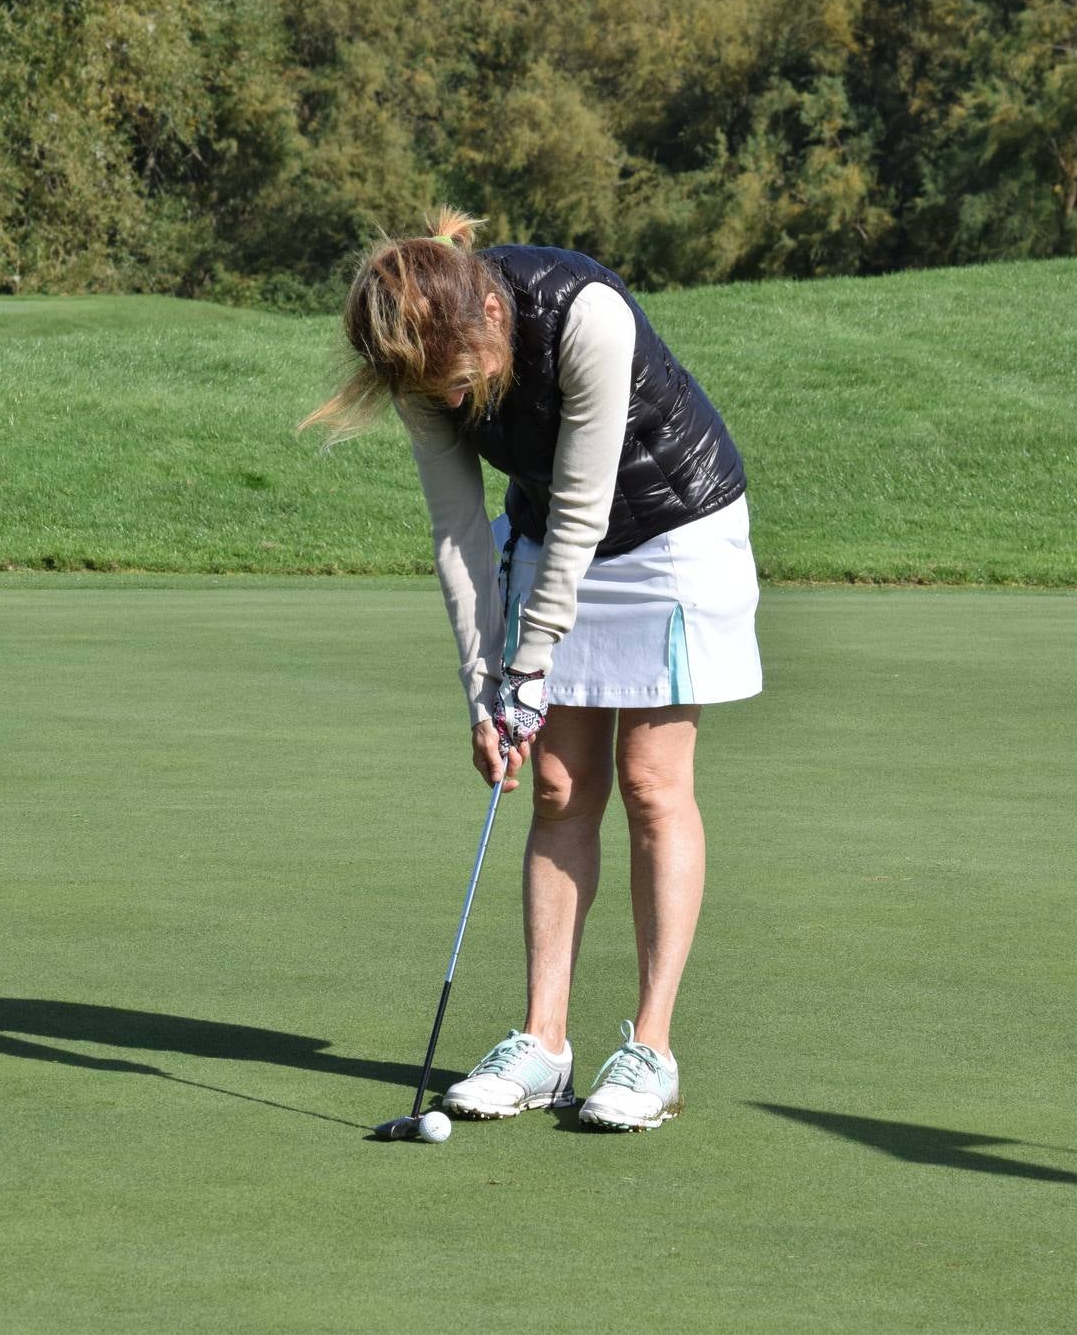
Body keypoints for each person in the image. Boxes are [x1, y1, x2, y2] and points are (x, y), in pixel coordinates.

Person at [305, 208, 761, 1132]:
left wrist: (531, 659)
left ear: (485, 316)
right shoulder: (417, 365)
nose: (453, 397)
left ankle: (651, 1052)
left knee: (649, 781)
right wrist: (487, 688)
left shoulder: (585, 314)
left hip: (672, 532)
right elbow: (459, 531)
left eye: (457, 376)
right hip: (551, 539)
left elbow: (588, 505)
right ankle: (542, 1043)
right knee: (553, 784)